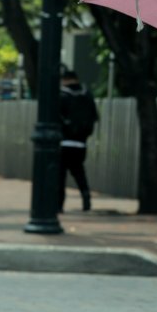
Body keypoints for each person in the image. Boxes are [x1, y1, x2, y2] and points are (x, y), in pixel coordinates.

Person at [58, 68, 98, 212]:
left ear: (65, 80)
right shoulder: (87, 95)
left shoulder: (62, 95)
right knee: (79, 173)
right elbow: (94, 117)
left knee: (60, 175)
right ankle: (86, 199)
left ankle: (59, 205)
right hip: (81, 142)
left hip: (64, 141)